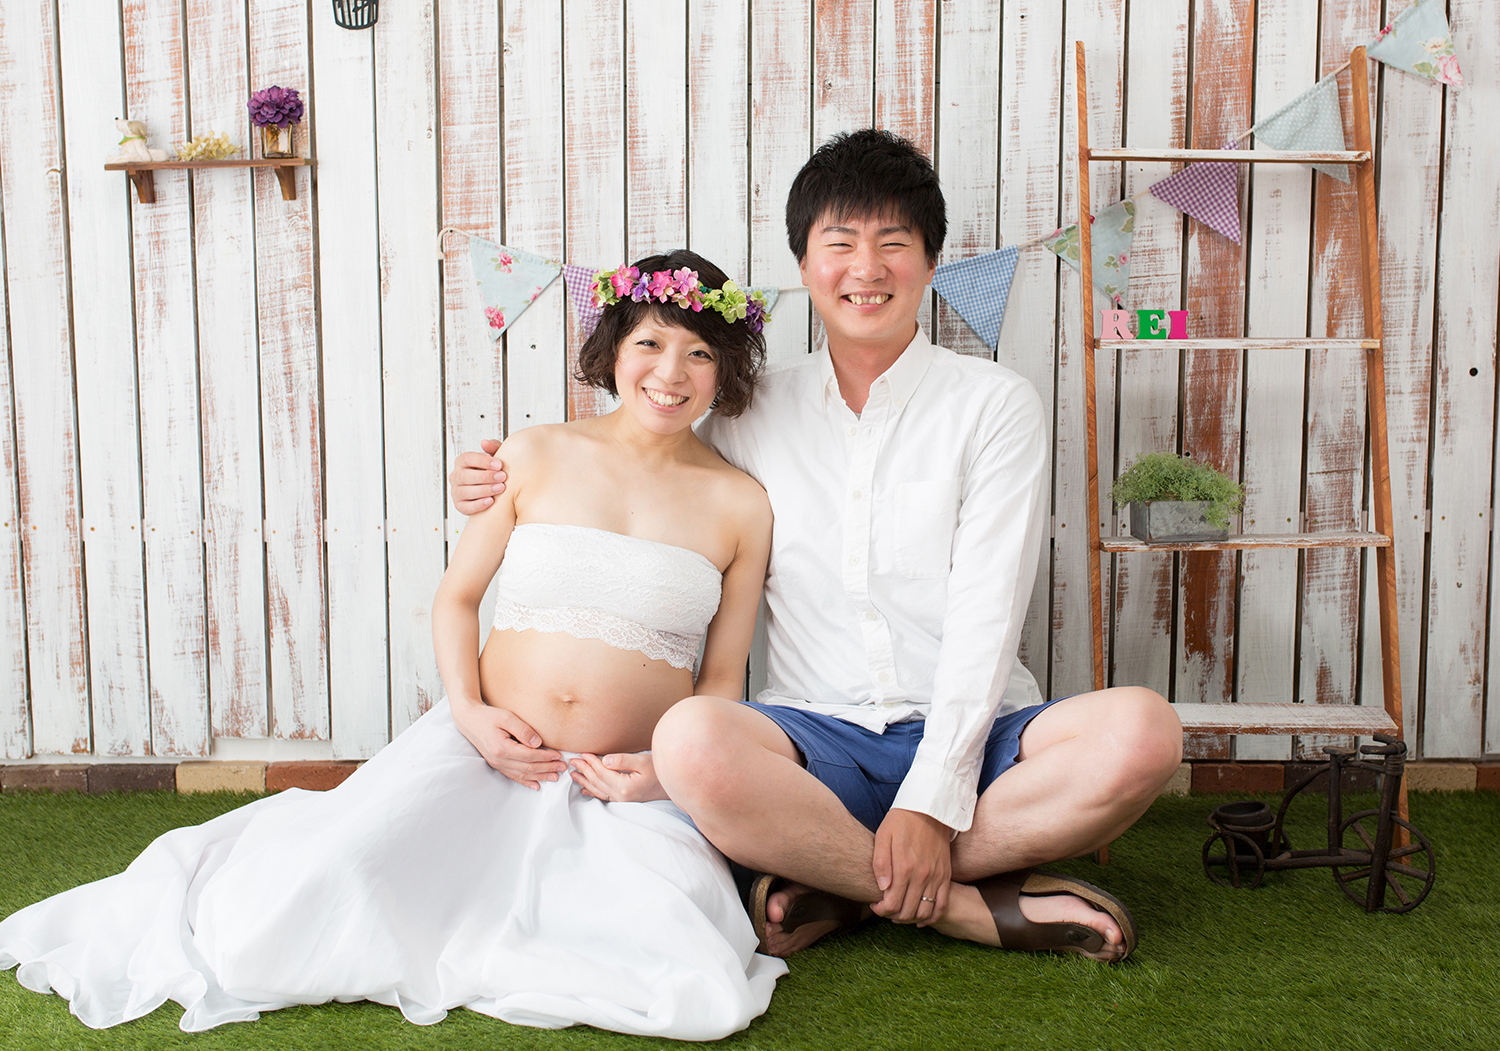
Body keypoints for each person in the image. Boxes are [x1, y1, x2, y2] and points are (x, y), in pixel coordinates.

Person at [0, 250, 787, 1039]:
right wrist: (470, 712)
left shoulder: (740, 504)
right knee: (311, 897)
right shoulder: (532, 454)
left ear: (725, 370)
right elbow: (457, 598)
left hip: (623, 781)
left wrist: (662, 772)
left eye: (699, 353)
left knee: (678, 962)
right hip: (484, 748)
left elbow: (722, 676)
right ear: (613, 348)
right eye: (650, 342)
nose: (670, 372)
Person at [449, 130, 1184, 963]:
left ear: (930, 261)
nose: (866, 268)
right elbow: (647, 479)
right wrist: (489, 477)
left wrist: (932, 797)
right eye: (840, 243)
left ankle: (838, 878)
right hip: (810, 741)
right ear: (804, 265)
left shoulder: (994, 404)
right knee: (690, 739)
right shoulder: (746, 411)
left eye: (893, 243)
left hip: (981, 736)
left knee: (1145, 731)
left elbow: (990, 610)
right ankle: (959, 905)